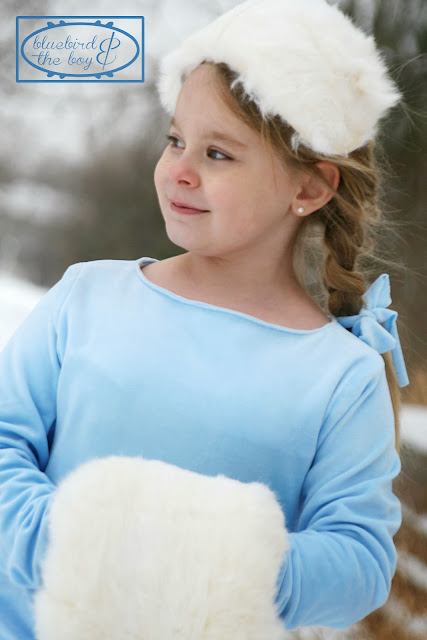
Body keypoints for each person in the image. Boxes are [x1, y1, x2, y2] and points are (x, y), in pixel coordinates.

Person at [0, 0, 410, 638]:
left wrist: (210, 569)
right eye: (175, 141)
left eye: (218, 153)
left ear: (309, 189)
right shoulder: (88, 297)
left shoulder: (341, 375)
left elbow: (359, 562)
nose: (180, 171)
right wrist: (82, 547)